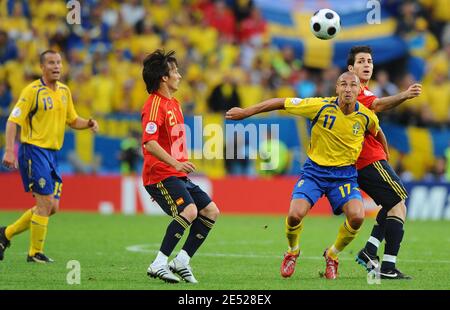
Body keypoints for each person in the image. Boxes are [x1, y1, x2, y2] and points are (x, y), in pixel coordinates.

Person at [226, 72, 382, 279]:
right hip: (315, 172)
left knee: (357, 217)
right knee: (294, 215)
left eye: (353, 85)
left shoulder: (366, 116)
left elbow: (378, 132)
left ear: (359, 90)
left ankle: (332, 255)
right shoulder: (319, 106)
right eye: (343, 84)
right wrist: (247, 112)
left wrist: (384, 156)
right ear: (336, 88)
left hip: (344, 175)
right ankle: (292, 252)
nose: (348, 89)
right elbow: (281, 102)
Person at [0, 50, 99, 263]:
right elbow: (12, 121)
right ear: (41, 67)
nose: (56, 66)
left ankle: (5, 234)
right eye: (51, 63)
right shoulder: (32, 91)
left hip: (52, 154)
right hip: (33, 151)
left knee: (52, 207)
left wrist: (88, 123)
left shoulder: (64, 91)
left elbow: (73, 120)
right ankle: (35, 253)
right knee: (44, 203)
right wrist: (9, 150)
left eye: (59, 62)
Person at [141, 50, 219, 284]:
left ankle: (182, 261)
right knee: (190, 211)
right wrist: (176, 163)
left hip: (176, 173)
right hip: (160, 175)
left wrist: (182, 161)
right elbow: (149, 142)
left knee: (211, 211)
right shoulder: (155, 105)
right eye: (175, 71)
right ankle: (158, 264)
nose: (179, 76)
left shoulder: (174, 103)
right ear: (163, 78)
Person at [347, 45, 421, 279]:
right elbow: (378, 105)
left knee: (393, 205)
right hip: (368, 160)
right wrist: (404, 95)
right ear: (351, 68)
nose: (367, 64)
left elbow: (374, 125)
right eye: (361, 61)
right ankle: (388, 267)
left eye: (369, 60)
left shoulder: (361, 91)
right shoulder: (354, 91)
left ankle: (370, 251)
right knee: (399, 204)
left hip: (367, 159)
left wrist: (385, 147)